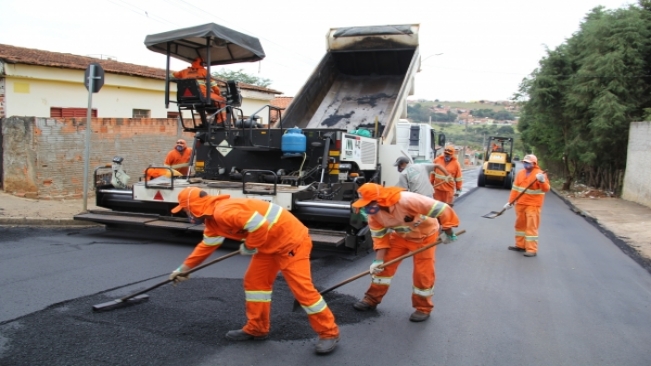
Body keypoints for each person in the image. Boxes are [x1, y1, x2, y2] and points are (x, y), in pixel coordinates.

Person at [168, 187, 340, 354]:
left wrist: (249, 245)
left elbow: (260, 225)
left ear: (193, 208)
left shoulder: (224, 211)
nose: (186, 214)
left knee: (303, 290)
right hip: (268, 245)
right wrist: (183, 269)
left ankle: (329, 333)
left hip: (291, 242)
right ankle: (257, 328)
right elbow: (205, 246)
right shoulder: (212, 223)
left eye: (185, 210)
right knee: (255, 284)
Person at [350, 183, 460, 322]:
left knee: (422, 273)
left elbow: (442, 209)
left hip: (425, 237)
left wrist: (448, 231)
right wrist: (378, 261)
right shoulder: (374, 216)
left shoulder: (407, 200)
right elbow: (380, 237)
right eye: (364, 205)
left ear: (380, 199)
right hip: (400, 237)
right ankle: (371, 299)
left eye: (369, 203)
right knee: (383, 269)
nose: (367, 208)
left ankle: (423, 308)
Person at [503, 154, 550, 257]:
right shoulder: (520, 174)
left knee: (531, 227)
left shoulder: (540, 174)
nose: (526, 164)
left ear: (534, 163)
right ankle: (520, 245)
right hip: (520, 204)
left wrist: (542, 181)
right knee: (520, 226)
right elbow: (515, 189)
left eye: (528, 163)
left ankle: (531, 249)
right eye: (525, 162)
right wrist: (510, 202)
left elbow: (546, 189)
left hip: (533, 206)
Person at [171, 57, 227, 123]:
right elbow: (214, 86)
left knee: (200, 103)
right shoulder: (203, 71)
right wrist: (218, 94)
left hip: (185, 97)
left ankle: (204, 122)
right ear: (201, 63)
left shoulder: (184, 71)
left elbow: (172, 75)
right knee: (222, 100)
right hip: (203, 94)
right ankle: (221, 121)